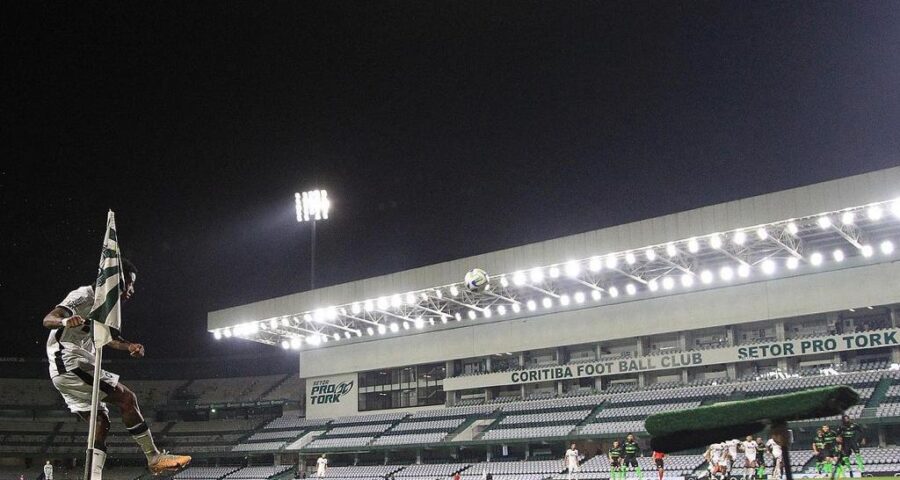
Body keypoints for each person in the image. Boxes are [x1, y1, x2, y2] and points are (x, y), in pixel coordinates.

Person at [43, 258, 190, 478]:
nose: (132, 290)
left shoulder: (107, 307)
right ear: (117, 280)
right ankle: (154, 457)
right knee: (127, 399)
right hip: (69, 362)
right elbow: (48, 319)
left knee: (101, 422)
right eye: (130, 283)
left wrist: (129, 346)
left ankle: (93, 476)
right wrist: (65, 321)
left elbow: (108, 338)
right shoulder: (84, 295)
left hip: (70, 366)